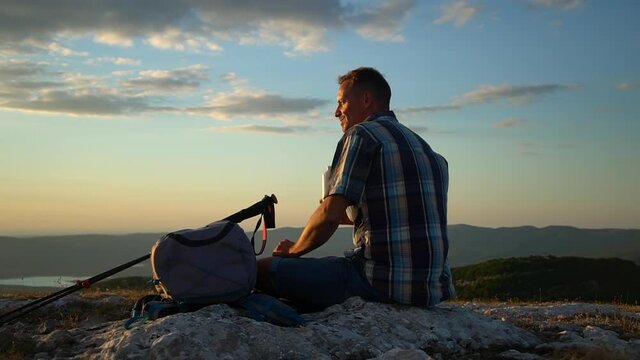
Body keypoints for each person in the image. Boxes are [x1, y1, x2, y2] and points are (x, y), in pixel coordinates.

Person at [255, 67, 455, 310]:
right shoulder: (428, 151)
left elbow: (328, 217)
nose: (336, 112)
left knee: (261, 271)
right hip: (431, 289)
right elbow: (401, 217)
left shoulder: (362, 135)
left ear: (366, 100)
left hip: (378, 283)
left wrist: (295, 249)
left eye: (341, 102)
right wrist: (350, 215)